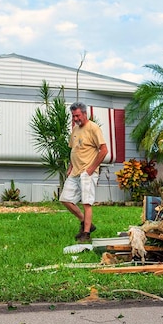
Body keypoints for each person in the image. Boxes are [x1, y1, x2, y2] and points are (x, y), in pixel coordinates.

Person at [59, 102, 108, 243]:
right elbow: (74, 150)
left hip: (87, 172)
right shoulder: (75, 129)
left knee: (87, 202)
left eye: (77, 115)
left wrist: (92, 168)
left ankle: (86, 234)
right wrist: (70, 166)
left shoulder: (93, 128)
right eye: (73, 116)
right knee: (65, 199)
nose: (75, 119)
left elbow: (104, 150)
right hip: (75, 171)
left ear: (85, 114)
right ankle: (85, 222)